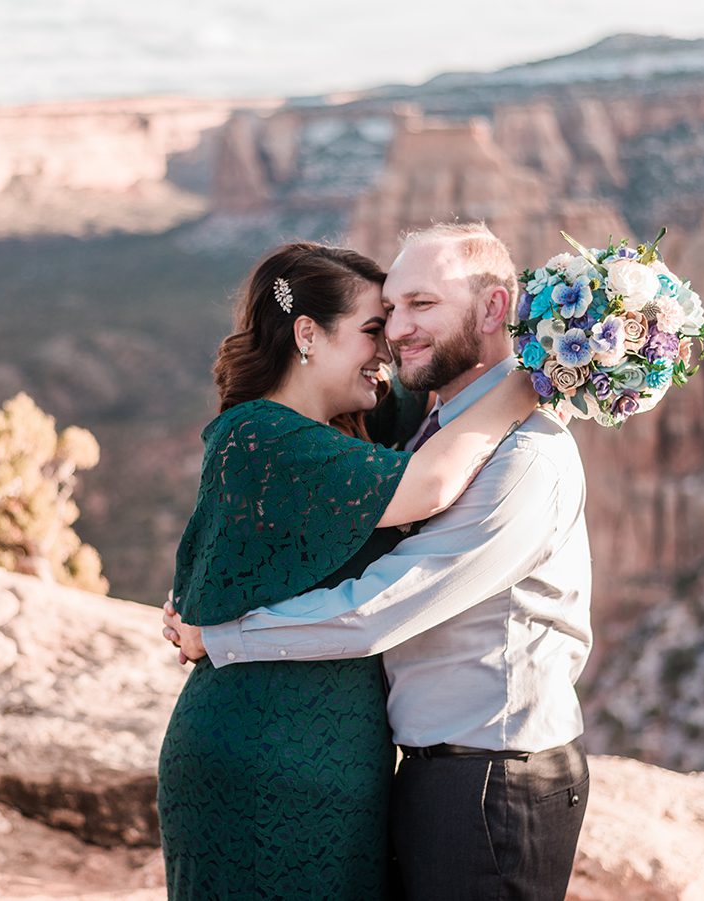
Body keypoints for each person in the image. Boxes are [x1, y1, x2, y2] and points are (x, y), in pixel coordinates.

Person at [166, 223, 593, 901]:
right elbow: (419, 485)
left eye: (416, 306)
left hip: (472, 774)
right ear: (306, 335)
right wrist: (532, 382)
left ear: (494, 309)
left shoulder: (505, 449)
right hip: (282, 752)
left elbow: (375, 609)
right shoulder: (291, 431)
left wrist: (541, 377)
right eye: (383, 317)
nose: (394, 336)